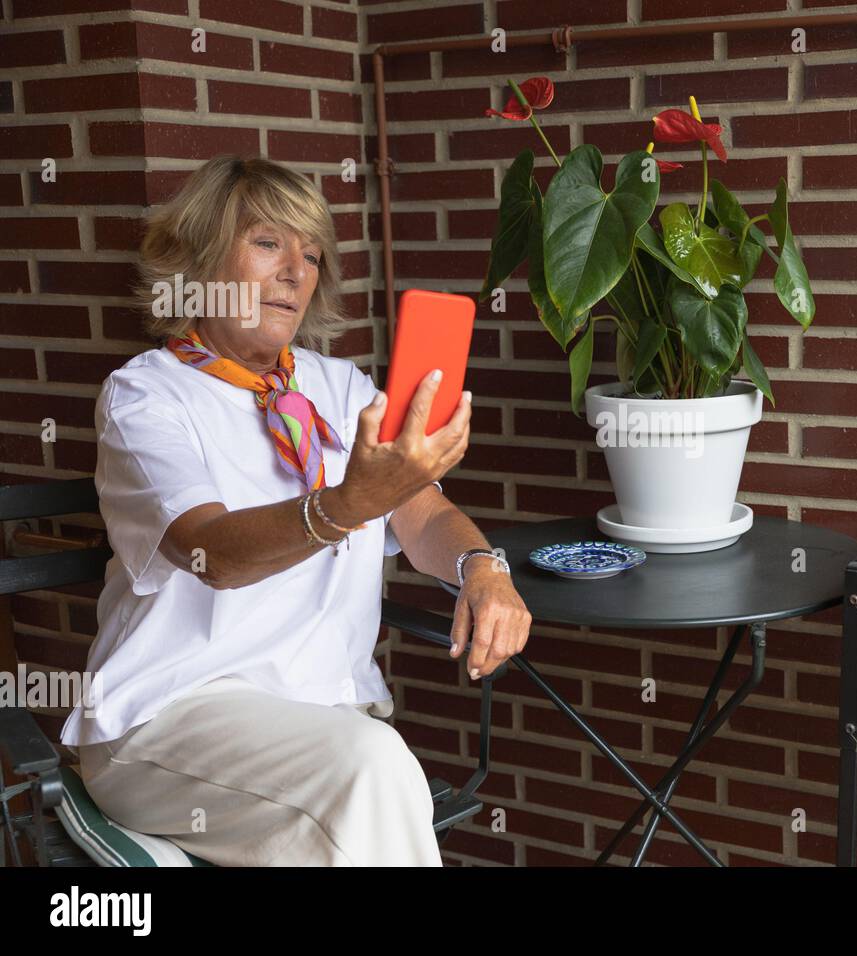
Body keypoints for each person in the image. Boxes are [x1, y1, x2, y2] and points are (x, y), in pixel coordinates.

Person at [58, 155, 532, 866]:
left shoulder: (340, 388)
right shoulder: (147, 397)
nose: (297, 271)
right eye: (268, 242)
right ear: (199, 256)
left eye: (311, 254)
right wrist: (345, 506)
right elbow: (212, 553)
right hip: (167, 724)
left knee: (368, 784)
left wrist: (482, 568)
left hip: (320, 721)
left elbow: (425, 517)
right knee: (374, 772)